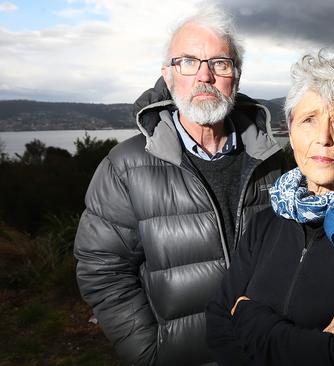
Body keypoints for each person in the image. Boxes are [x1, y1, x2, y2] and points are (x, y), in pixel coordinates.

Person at [73, 5, 285, 365]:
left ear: (236, 75)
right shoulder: (125, 166)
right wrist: (148, 352)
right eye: (188, 61)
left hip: (270, 351)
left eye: (220, 62)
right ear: (168, 76)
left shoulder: (272, 160)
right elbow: (101, 268)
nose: (205, 75)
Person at [205, 52, 334, 366]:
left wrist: (249, 317)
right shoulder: (266, 221)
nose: (323, 138)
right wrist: (315, 343)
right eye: (309, 120)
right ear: (290, 130)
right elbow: (218, 328)